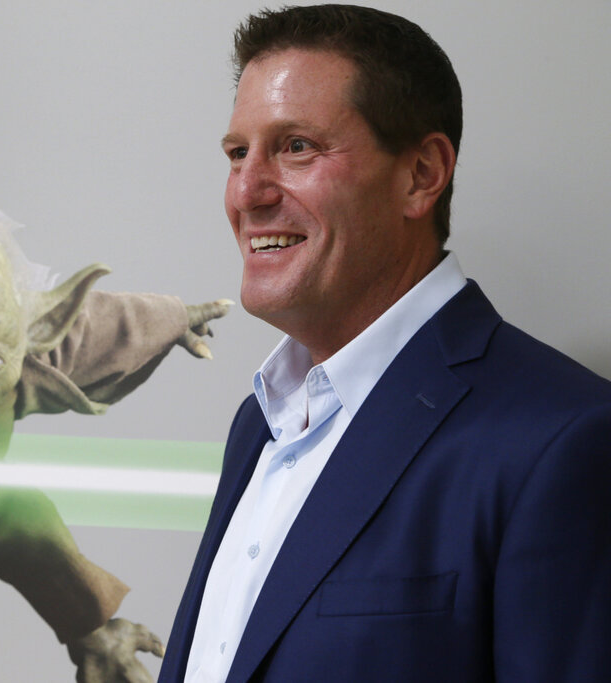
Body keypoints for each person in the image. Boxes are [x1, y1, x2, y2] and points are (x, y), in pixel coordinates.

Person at [158, 5, 611, 682]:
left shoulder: (563, 440)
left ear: (421, 174)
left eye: (296, 146)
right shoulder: (258, 424)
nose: (246, 192)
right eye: (237, 153)